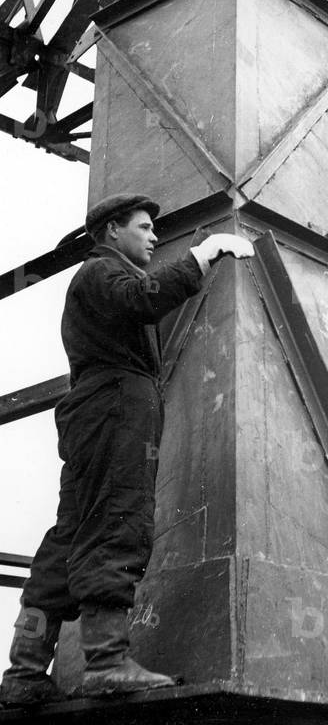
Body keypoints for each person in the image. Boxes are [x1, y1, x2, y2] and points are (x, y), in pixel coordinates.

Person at [0, 194, 254, 705]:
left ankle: (24, 672)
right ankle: (107, 663)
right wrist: (203, 255)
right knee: (118, 521)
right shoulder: (100, 273)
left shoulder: (98, 278)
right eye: (144, 227)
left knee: (69, 539)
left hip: (98, 410)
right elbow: (144, 299)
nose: (155, 236)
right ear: (112, 232)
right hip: (116, 407)